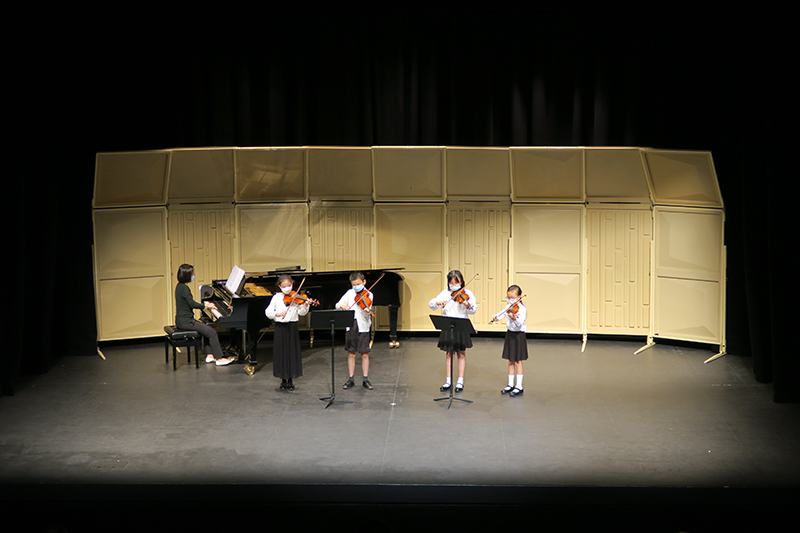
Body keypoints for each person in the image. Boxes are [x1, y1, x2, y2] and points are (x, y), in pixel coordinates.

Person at [174, 264, 233, 366]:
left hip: (182, 320)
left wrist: (205, 305)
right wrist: (206, 306)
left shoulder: (179, 286)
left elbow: (188, 303)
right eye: (192, 274)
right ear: (187, 275)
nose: (194, 275)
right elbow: (192, 304)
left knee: (206, 328)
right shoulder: (184, 288)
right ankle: (219, 358)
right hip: (186, 322)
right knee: (212, 332)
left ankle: (210, 355)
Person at [428, 270, 477, 392]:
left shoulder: (467, 293)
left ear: (461, 282)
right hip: (448, 325)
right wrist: (438, 302)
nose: (454, 285)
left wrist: (467, 304)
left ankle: (460, 381)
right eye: (452, 283)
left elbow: (473, 310)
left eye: (457, 283)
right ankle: (448, 381)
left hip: (461, 325)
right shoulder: (445, 293)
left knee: (461, 353)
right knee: (449, 354)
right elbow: (431, 304)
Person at [265, 274, 311, 391]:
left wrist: (306, 305)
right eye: (284, 286)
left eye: (289, 285)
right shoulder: (276, 297)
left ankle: (290, 380)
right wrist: (277, 314)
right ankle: (283, 380)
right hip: (280, 328)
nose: (287, 288)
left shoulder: (296, 297)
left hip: (292, 327)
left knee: (292, 353)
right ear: (280, 286)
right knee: (281, 353)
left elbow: (301, 313)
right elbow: (268, 312)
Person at [335, 272, 374, 390]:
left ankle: (365, 379)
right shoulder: (349, 293)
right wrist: (342, 306)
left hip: (363, 326)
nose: (356, 287)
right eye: (354, 285)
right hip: (351, 325)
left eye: (358, 284)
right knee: (351, 353)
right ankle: (351, 379)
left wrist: (367, 310)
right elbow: (337, 304)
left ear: (364, 282)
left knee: (364, 354)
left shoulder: (369, 294)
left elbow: (367, 308)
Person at [491, 284, 528, 397]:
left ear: (519, 297)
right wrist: (495, 317)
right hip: (510, 334)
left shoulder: (522, 309)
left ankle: (519, 386)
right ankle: (510, 384)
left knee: (518, 361)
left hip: (518, 335)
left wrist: (513, 317)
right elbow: (500, 314)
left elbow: (519, 323)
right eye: (509, 297)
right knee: (510, 361)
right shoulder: (508, 307)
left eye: (512, 297)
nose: (510, 300)